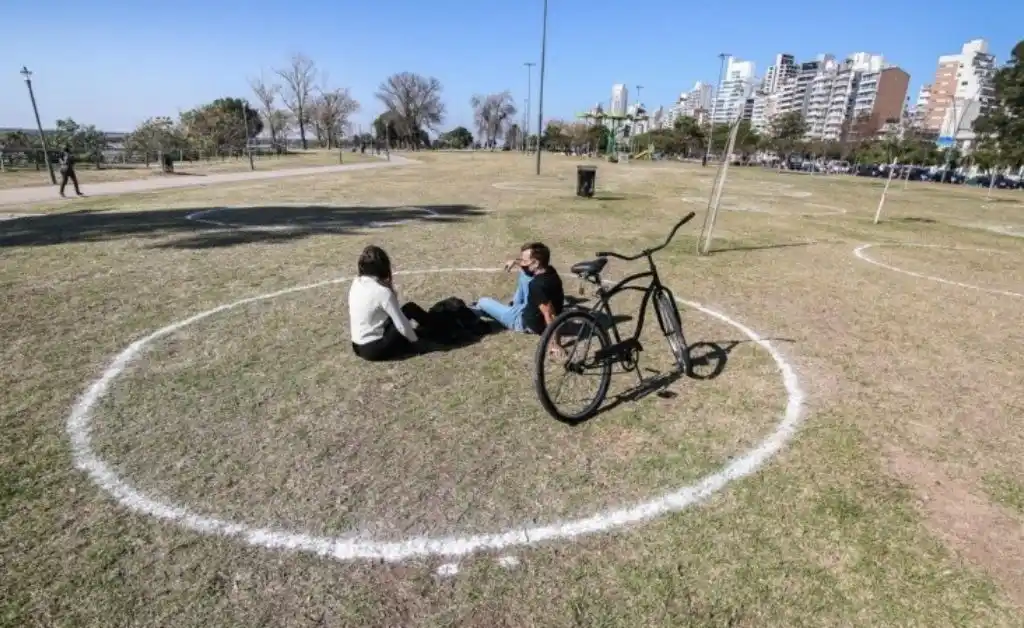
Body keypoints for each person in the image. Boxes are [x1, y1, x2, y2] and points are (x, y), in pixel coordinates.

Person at [348, 245, 434, 361]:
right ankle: (436, 327)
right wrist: (417, 343)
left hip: (357, 346)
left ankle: (431, 326)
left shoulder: (356, 282)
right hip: (375, 349)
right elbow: (401, 325)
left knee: (407, 311)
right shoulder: (382, 291)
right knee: (409, 309)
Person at [473, 242, 564, 339]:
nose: (523, 263)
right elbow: (528, 271)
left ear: (536, 263)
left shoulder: (537, 285)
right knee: (524, 274)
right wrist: (516, 262)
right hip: (529, 309)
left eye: (525, 261)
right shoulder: (550, 271)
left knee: (482, 302)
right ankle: (511, 307)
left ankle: (472, 314)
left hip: (522, 322)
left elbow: (550, 314)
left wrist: (555, 342)